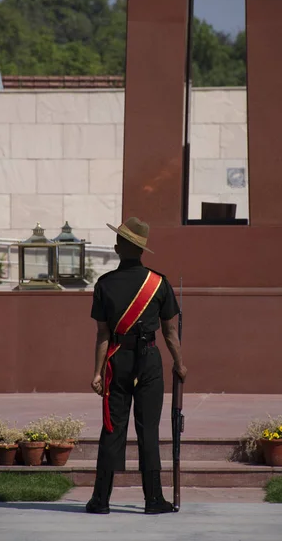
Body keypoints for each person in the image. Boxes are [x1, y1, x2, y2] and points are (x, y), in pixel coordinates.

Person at [86, 217, 187, 515]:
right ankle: (154, 499)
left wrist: (96, 372)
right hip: (150, 361)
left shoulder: (104, 284)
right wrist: (180, 364)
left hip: (117, 360)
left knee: (112, 429)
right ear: (142, 250)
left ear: (119, 248)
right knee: (148, 431)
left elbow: (103, 334)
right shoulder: (159, 282)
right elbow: (170, 333)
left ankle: (101, 500)